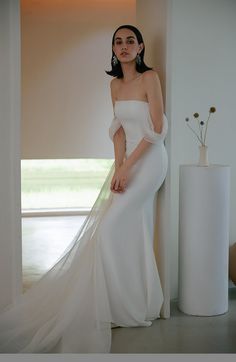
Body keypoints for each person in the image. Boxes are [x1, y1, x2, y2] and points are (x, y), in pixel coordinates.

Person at [0, 24, 168, 353]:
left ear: (140, 47)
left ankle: (129, 304)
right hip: (128, 163)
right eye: (118, 42)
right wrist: (117, 168)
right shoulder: (114, 85)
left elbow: (157, 129)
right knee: (129, 228)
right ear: (114, 49)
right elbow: (118, 132)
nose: (124, 46)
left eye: (130, 41)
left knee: (109, 229)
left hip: (150, 161)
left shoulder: (151, 78)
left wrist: (128, 167)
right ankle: (135, 303)